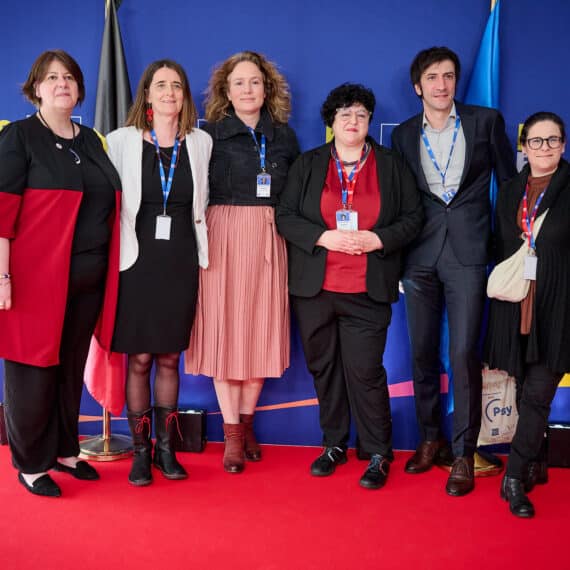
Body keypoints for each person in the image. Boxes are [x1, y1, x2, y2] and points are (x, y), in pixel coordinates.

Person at [277, 83, 423, 489]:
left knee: (366, 372)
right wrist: (323, 237)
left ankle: (377, 452)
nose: (353, 121)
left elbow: (413, 218)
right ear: (331, 123)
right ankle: (334, 444)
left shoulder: (392, 166)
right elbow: (285, 216)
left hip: (367, 288)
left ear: (369, 121)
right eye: (345, 115)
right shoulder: (308, 165)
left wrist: (379, 239)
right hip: (315, 289)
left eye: (360, 114)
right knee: (324, 370)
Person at [391, 46, 516, 496]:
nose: (441, 84)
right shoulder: (403, 135)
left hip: (469, 254)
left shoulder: (486, 122)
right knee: (422, 352)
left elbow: (510, 182)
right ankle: (429, 440)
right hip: (419, 257)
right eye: (432, 77)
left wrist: (507, 249)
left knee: (463, 353)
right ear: (417, 86)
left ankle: (464, 453)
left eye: (448, 76)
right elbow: (402, 198)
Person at [0, 50, 121, 497]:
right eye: (51, 78)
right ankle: (31, 464)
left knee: (70, 368)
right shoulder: (20, 137)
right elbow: (1, 214)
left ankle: (66, 450)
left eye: (69, 77)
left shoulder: (89, 140)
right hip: (34, 280)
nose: (62, 84)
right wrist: (2, 278)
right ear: (35, 88)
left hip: (88, 279)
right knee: (33, 370)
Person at [185, 51, 299, 473]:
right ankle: (231, 435)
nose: (247, 89)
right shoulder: (209, 135)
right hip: (224, 237)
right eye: (239, 83)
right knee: (226, 335)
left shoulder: (285, 137)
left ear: (266, 88)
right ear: (225, 91)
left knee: (260, 334)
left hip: (271, 238)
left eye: (255, 82)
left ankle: (246, 423)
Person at [107, 60, 212, 486]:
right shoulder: (121, 141)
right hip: (137, 262)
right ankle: (139, 452)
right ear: (146, 95)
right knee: (140, 358)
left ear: (185, 95)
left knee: (170, 356)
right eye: (160, 85)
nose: (169, 92)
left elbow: (203, 207)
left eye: (176, 86)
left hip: (180, 262)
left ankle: (166, 451)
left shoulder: (201, 143)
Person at [485, 112, 569, 518]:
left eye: (553, 140)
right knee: (522, 392)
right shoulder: (510, 189)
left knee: (537, 395)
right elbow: (501, 245)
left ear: (564, 145)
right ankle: (537, 460)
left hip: (559, 309)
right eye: (536, 141)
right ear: (523, 147)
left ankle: (514, 477)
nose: (545, 148)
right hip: (516, 306)